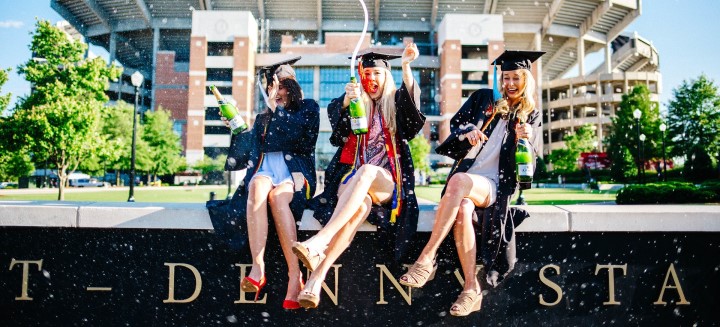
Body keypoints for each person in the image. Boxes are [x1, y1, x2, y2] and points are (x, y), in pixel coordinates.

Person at [397, 50, 544, 316]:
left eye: (516, 78)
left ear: (526, 80)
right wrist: (469, 132)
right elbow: (458, 124)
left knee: (458, 181)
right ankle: (470, 289)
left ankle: (427, 258)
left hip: (495, 186)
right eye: (506, 77)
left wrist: (527, 140)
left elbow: (529, 170)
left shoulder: (530, 115)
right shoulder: (485, 99)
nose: (510, 84)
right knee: (463, 208)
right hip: (467, 179)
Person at [292, 43, 424, 309]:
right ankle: (315, 281)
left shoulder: (395, 102)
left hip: (386, 183)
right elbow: (338, 136)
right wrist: (346, 100)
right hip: (352, 182)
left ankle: (319, 241)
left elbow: (412, 120)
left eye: (377, 73)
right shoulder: (356, 105)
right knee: (359, 207)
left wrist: (407, 67)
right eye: (367, 74)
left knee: (367, 172)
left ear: (386, 76)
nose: (372, 79)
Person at [218, 57, 320, 309]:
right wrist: (235, 127)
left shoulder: (308, 107)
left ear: (292, 87)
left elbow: (299, 138)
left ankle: (294, 275)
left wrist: (277, 110)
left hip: (293, 173)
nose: (276, 92)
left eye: (281, 86)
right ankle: (258, 266)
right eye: (272, 86)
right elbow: (246, 153)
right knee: (256, 186)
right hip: (265, 169)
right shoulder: (263, 117)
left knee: (277, 198)